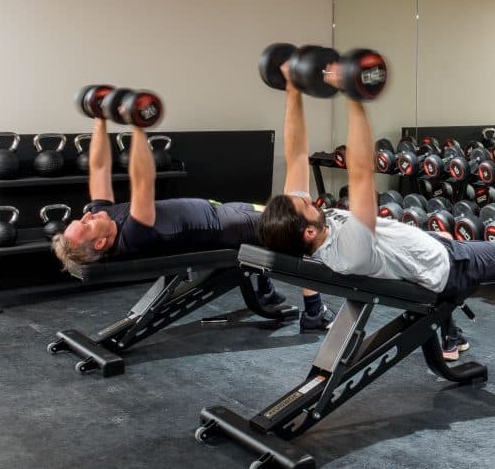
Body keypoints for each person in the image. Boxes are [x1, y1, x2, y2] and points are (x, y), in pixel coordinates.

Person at [257, 61, 495, 391]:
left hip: (431, 254)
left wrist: (292, 89)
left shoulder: (309, 234)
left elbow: (296, 154)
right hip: (449, 267)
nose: (311, 200)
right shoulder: (349, 249)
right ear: (308, 232)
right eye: (306, 205)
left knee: (438, 233)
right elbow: (360, 172)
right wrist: (353, 95)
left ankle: (451, 334)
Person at [51, 109, 335, 332]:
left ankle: (267, 293)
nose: (88, 215)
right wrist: (138, 127)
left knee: (269, 229)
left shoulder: (103, 217)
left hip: (220, 211)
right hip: (228, 226)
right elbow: (143, 180)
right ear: (100, 243)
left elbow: (99, 167)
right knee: (294, 229)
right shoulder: (133, 234)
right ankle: (314, 313)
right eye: (86, 224)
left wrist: (99, 119)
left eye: (82, 217)